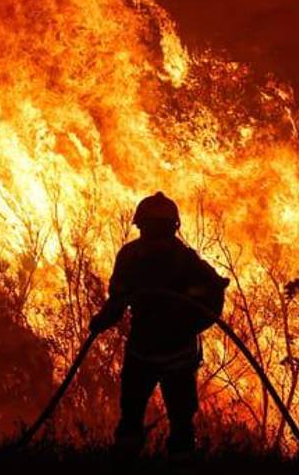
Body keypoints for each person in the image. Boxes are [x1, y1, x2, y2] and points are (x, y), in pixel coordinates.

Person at [89, 192, 229, 459]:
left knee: (180, 420)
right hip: (144, 350)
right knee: (133, 417)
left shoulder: (184, 260)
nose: (154, 236)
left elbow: (214, 292)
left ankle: (179, 464)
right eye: (150, 228)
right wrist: (102, 321)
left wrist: (191, 322)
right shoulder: (131, 257)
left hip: (174, 352)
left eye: (159, 229)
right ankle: (127, 461)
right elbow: (118, 300)